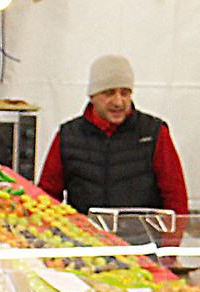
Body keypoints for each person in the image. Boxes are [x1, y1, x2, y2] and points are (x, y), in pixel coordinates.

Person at [36, 55, 189, 220]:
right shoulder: (68, 135)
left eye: (125, 93)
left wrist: (171, 236)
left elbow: (175, 197)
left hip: (142, 235)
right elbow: (47, 197)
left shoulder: (154, 132)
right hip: (86, 234)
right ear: (92, 96)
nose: (118, 102)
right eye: (109, 93)